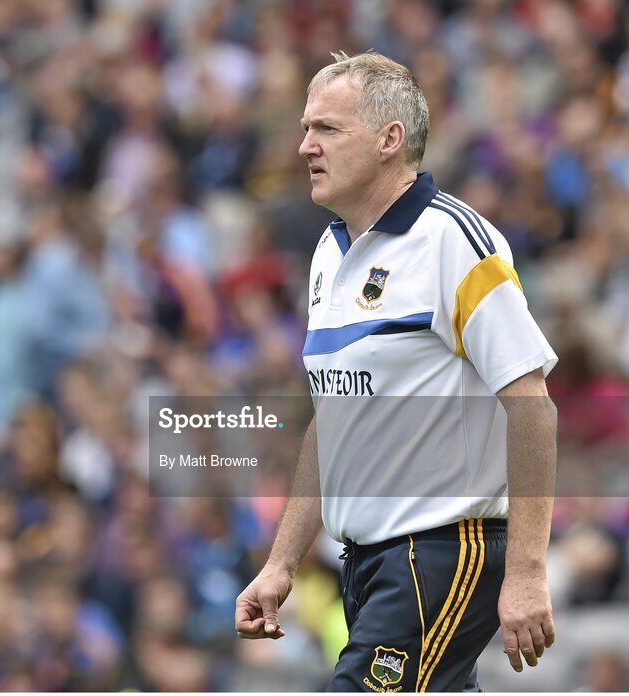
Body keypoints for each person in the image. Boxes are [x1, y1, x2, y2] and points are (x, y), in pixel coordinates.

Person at [235, 51, 559, 692]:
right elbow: (335, 423)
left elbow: (532, 406)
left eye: (326, 128)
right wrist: (280, 564)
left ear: (390, 139)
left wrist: (526, 569)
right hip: (366, 564)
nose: (304, 146)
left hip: (442, 553)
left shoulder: (456, 241)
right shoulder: (328, 252)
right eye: (306, 128)